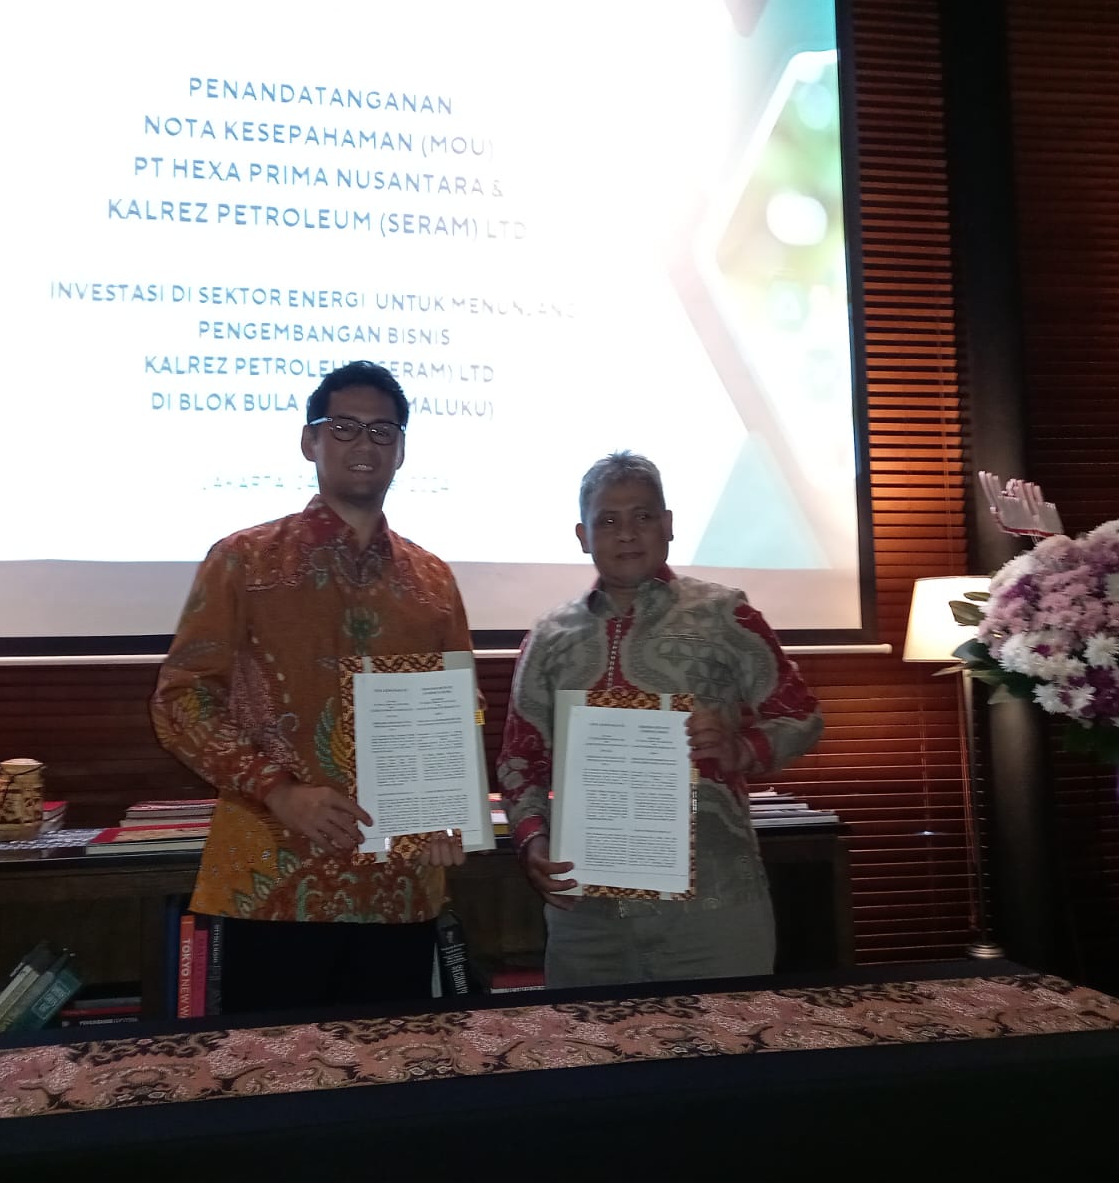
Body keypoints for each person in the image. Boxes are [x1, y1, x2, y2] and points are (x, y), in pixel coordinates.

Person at [151, 360, 470, 1013]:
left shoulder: (433, 581)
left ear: (402, 450)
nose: (364, 444)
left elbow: (458, 711)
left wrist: (447, 810)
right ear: (310, 441)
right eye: (344, 427)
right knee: (276, 1071)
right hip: (274, 883)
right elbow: (181, 700)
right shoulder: (242, 561)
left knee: (392, 1069)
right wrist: (279, 791)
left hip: (396, 888)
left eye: (382, 431)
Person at [497, 451, 823, 988]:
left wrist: (741, 748)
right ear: (582, 536)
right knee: (591, 1042)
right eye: (607, 520)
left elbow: (801, 716)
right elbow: (519, 759)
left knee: (728, 1040)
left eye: (643, 516)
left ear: (668, 525)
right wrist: (532, 840)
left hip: (712, 905)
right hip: (586, 913)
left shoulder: (725, 614)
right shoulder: (548, 637)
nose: (627, 533)